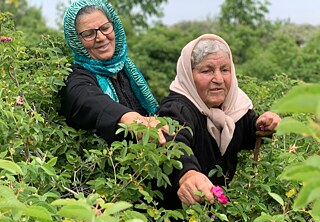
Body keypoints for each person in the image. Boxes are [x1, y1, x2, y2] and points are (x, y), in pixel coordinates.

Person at [156, 34, 281, 209]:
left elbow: (248, 131)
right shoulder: (177, 109)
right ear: (188, 76)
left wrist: (264, 125)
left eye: (225, 69)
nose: (218, 79)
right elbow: (172, 142)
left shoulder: (232, 107)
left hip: (215, 220)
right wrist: (188, 174)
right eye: (207, 71)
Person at [60, 0, 168, 144]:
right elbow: (88, 99)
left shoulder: (126, 70)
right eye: (89, 34)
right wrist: (127, 118)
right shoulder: (75, 79)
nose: (101, 37)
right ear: (76, 40)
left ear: (114, 26)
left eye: (105, 28)